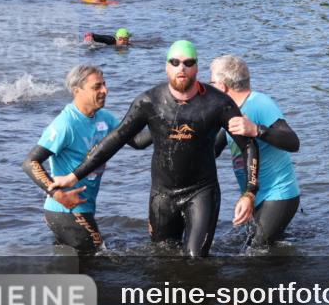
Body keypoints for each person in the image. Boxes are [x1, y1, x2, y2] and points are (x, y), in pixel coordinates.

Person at [50, 41, 259, 258]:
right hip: (162, 195)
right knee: (162, 256)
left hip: (202, 190)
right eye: (175, 62)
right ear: (166, 66)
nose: (182, 68)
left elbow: (248, 146)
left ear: (197, 67)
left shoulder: (218, 103)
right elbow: (115, 140)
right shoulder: (149, 101)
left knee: (195, 257)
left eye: (188, 63)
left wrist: (249, 193)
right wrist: (74, 177)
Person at [21, 65, 150, 253]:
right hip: (64, 211)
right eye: (97, 87)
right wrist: (59, 196)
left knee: (73, 264)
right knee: (98, 258)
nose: (105, 91)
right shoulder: (66, 124)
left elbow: (137, 141)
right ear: (77, 91)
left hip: (82, 208)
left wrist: (164, 124)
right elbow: (30, 163)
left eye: (104, 85)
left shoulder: (104, 118)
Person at [210, 55, 301, 246]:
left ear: (222, 86)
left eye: (211, 83)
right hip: (255, 196)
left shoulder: (259, 103)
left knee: (256, 252)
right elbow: (213, 148)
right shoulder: (231, 111)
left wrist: (255, 130)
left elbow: (293, 142)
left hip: (278, 194)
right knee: (265, 249)